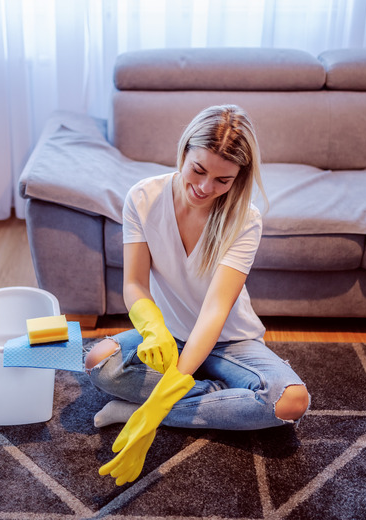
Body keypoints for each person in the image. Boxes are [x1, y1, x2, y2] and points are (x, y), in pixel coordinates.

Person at [84, 104, 310, 486]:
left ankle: (139, 407)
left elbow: (214, 312)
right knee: (98, 362)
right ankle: (220, 401)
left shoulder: (245, 219)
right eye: (198, 170)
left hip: (227, 339)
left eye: (223, 180)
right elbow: (135, 283)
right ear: (184, 151)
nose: (205, 188)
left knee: (289, 402)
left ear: (239, 178)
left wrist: (157, 404)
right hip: (169, 335)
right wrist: (152, 326)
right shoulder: (143, 197)